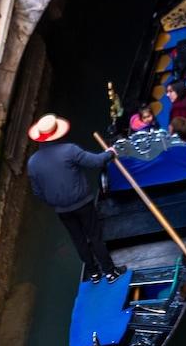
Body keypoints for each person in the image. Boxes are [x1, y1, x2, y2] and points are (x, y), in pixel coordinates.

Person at [26, 114, 121, 282]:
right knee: (94, 236)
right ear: (57, 133)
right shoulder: (69, 150)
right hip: (83, 203)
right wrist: (110, 153)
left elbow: (37, 192)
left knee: (79, 240)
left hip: (62, 210)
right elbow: (96, 162)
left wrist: (55, 202)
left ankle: (94, 274)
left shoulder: (32, 162)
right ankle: (110, 272)